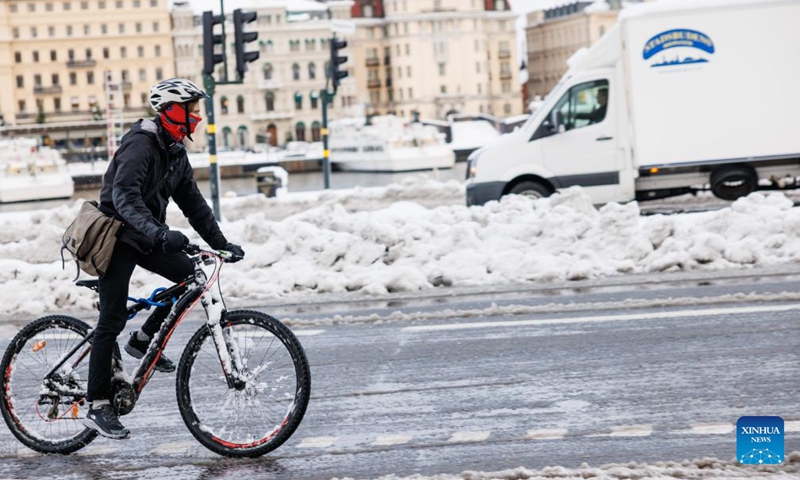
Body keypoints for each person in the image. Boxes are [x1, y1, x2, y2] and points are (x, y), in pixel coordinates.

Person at [83, 78, 245, 439]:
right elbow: (124, 198)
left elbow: (194, 205)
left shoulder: (175, 151)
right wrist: (159, 233)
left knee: (191, 278)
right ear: (172, 111)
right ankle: (97, 405)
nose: (198, 116)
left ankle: (143, 340)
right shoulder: (140, 144)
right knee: (111, 320)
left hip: (145, 234)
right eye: (193, 109)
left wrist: (221, 243)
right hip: (116, 237)